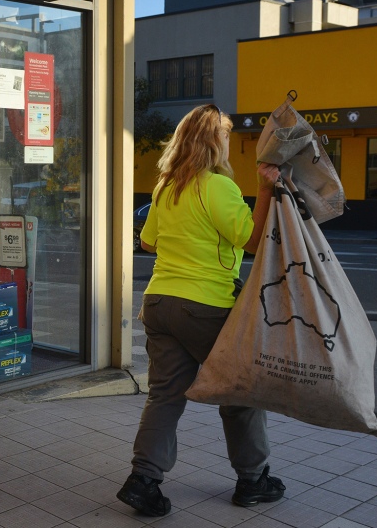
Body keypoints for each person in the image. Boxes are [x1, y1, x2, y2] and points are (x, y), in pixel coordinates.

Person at [116, 104, 285, 517]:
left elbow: (149, 243)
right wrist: (264, 191)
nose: (228, 143)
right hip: (205, 305)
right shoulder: (218, 186)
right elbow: (250, 240)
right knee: (240, 392)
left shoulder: (165, 186)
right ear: (215, 141)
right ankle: (253, 480)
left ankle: (144, 481)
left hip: (158, 303)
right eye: (225, 136)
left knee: (165, 396)